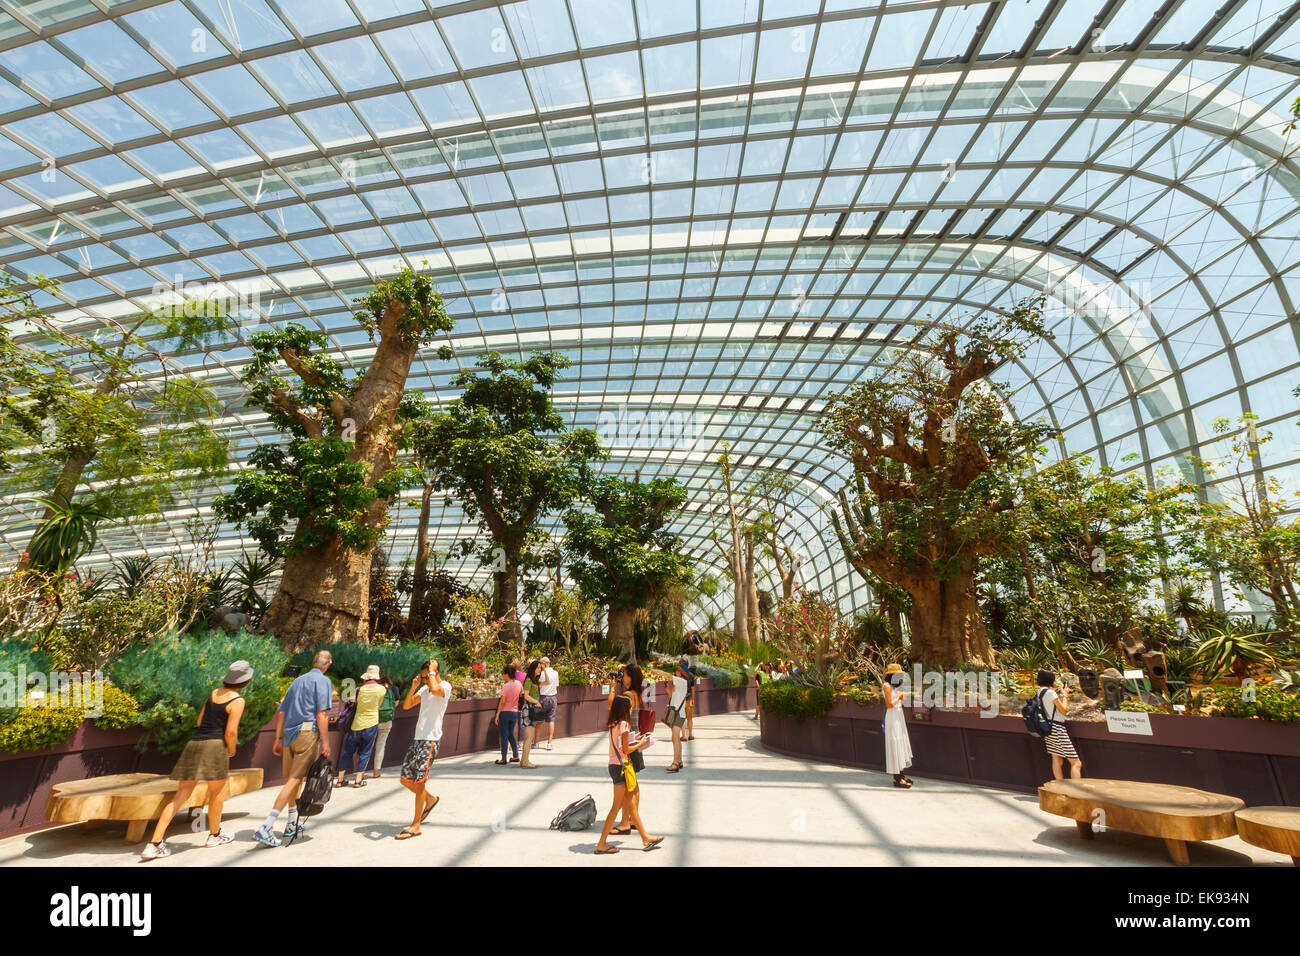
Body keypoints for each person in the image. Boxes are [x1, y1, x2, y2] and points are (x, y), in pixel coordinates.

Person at [141, 660, 252, 859]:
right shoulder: (237, 701)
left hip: (195, 745)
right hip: (215, 746)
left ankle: (154, 843)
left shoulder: (213, 694)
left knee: (180, 795)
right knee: (216, 794)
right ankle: (214, 835)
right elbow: (231, 732)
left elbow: (199, 721)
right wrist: (232, 751)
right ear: (245, 681)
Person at [255, 650, 333, 847]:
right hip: (307, 733)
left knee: (295, 781)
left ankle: (291, 823)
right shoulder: (323, 682)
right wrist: (325, 741)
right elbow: (322, 714)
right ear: (327, 665)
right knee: (294, 780)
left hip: (289, 735)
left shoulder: (296, 681)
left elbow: (281, 712)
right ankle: (267, 825)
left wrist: (278, 738)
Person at [594, 694, 663, 854]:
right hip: (622, 768)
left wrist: (636, 737)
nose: (632, 709)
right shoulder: (624, 724)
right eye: (630, 706)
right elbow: (626, 749)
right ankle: (602, 843)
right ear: (625, 708)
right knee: (616, 807)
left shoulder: (614, 723)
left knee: (631, 806)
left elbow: (620, 744)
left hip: (614, 765)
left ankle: (646, 837)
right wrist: (641, 742)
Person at [396, 658, 451, 840]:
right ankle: (430, 799)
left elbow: (436, 690)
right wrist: (414, 686)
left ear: (435, 673)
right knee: (406, 779)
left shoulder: (444, 686)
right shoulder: (425, 688)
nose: (426, 680)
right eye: (424, 677)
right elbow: (406, 705)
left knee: (419, 782)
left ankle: (416, 825)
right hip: (418, 738)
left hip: (431, 739)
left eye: (427, 677)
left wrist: (432, 672)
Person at [606, 664, 647, 835]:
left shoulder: (628, 695)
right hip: (634, 739)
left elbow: (611, 705)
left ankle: (625, 822)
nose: (623, 677)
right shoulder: (637, 694)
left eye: (625, 675)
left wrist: (612, 687)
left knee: (627, 788)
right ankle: (631, 819)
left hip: (628, 743)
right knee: (634, 785)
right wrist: (624, 668)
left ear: (630, 677)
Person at [337, 665, 385, 788]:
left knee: (348, 752)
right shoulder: (382, 690)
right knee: (365, 752)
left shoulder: (359, 689)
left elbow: (354, 705)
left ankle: (340, 779)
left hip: (357, 724)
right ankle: (358, 780)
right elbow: (378, 705)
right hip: (372, 723)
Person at [1037, 668, 1083, 780]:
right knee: (1076, 762)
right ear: (1051, 679)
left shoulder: (1039, 692)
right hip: (1057, 728)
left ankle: (1059, 788)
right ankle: (1076, 791)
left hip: (1047, 728)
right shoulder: (1050, 692)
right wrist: (1064, 695)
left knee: (1056, 758)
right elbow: (1063, 710)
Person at [882, 663, 914, 788]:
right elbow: (889, 704)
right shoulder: (887, 686)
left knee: (900, 744)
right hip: (893, 717)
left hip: (898, 716)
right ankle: (897, 778)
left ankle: (901, 775)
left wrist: (901, 696)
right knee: (895, 744)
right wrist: (900, 697)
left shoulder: (893, 687)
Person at [370, 675, 400, 778]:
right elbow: (396, 703)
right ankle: (376, 772)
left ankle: (360, 772)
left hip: (374, 719)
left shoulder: (377, 689)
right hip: (387, 720)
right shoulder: (394, 689)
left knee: (368, 745)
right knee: (381, 745)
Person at [492, 662, 522, 765]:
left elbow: (502, 702)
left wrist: (497, 714)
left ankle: (503, 758)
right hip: (514, 712)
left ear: (506, 674)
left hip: (505, 713)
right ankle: (515, 756)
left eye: (502, 674)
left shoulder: (505, 686)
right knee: (511, 734)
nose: (502, 675)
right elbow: (521, 696)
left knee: (504, 735)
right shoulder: (518, 684)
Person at [666, 657, 690, 772]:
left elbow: (668, 675)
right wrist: (668, 690)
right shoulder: (678, 684)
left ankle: (675, 763)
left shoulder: (682, 681)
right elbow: (672, 697)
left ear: (682, 673)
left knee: (675, 737)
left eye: (678, 670)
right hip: (673, 711)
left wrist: (656, 672)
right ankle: (679, 760)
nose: (675, 672)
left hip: (678, 713)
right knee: (675, 738)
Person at [518, 659, 542, 769]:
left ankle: (524, 760)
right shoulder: (528, 680)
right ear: (533, 668)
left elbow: (547, 682)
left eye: (540, 668)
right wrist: (536, 702)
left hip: (532, 709)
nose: (540, 670)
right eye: (538, 668)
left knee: (529, 737)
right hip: (529, 709)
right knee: (529, 737)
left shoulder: (535, 681)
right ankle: (525, 761)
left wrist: (544, 670)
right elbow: (526, 696)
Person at [537, 655, 559, 749]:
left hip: (543, 698)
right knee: (551, 720)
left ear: (544, 664)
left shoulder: (541, 674)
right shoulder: (556, 673)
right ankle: (549, 743)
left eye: (540, 664)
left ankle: (536, 742)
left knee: (539, 720)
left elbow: (539, 686)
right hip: (553, 698)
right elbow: (556, 685)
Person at [682, 659, 696, 741]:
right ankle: (690, 735)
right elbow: (693, 689)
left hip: (680, 700)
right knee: (689, 718)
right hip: (689, 699)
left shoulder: (678, 675)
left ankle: (683, 736)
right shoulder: (691, 675)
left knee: (682, 718)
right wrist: (693, 699)